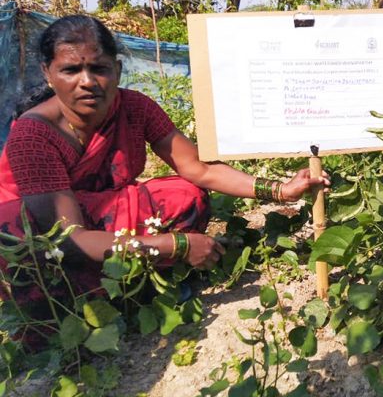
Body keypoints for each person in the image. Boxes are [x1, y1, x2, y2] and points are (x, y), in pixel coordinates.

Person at [0, 15, 329, 309]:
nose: (87, 81)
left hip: (103, 218)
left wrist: (282, 190)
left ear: (116, 69)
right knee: (18, 238)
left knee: (186, 195)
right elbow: (69, 241)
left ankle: (133, 285)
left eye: (98, 68)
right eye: (71, 70)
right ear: (48, 73)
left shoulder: (135, 108)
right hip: (45, 238)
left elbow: (198, 168)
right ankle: (97, 299)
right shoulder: (34, 136)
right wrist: (176, 245)